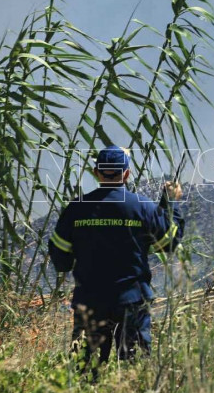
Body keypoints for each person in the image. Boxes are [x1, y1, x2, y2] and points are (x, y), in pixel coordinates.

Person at [48, 145, 184, 380]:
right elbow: (168, 244)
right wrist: (169, 204)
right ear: (127, 174)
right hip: (133, 301)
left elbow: (61, 260)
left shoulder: (76, 209)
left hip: (89, 302)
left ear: (97, 172)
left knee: (84, 371)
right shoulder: (143, 207)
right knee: (135, 371)